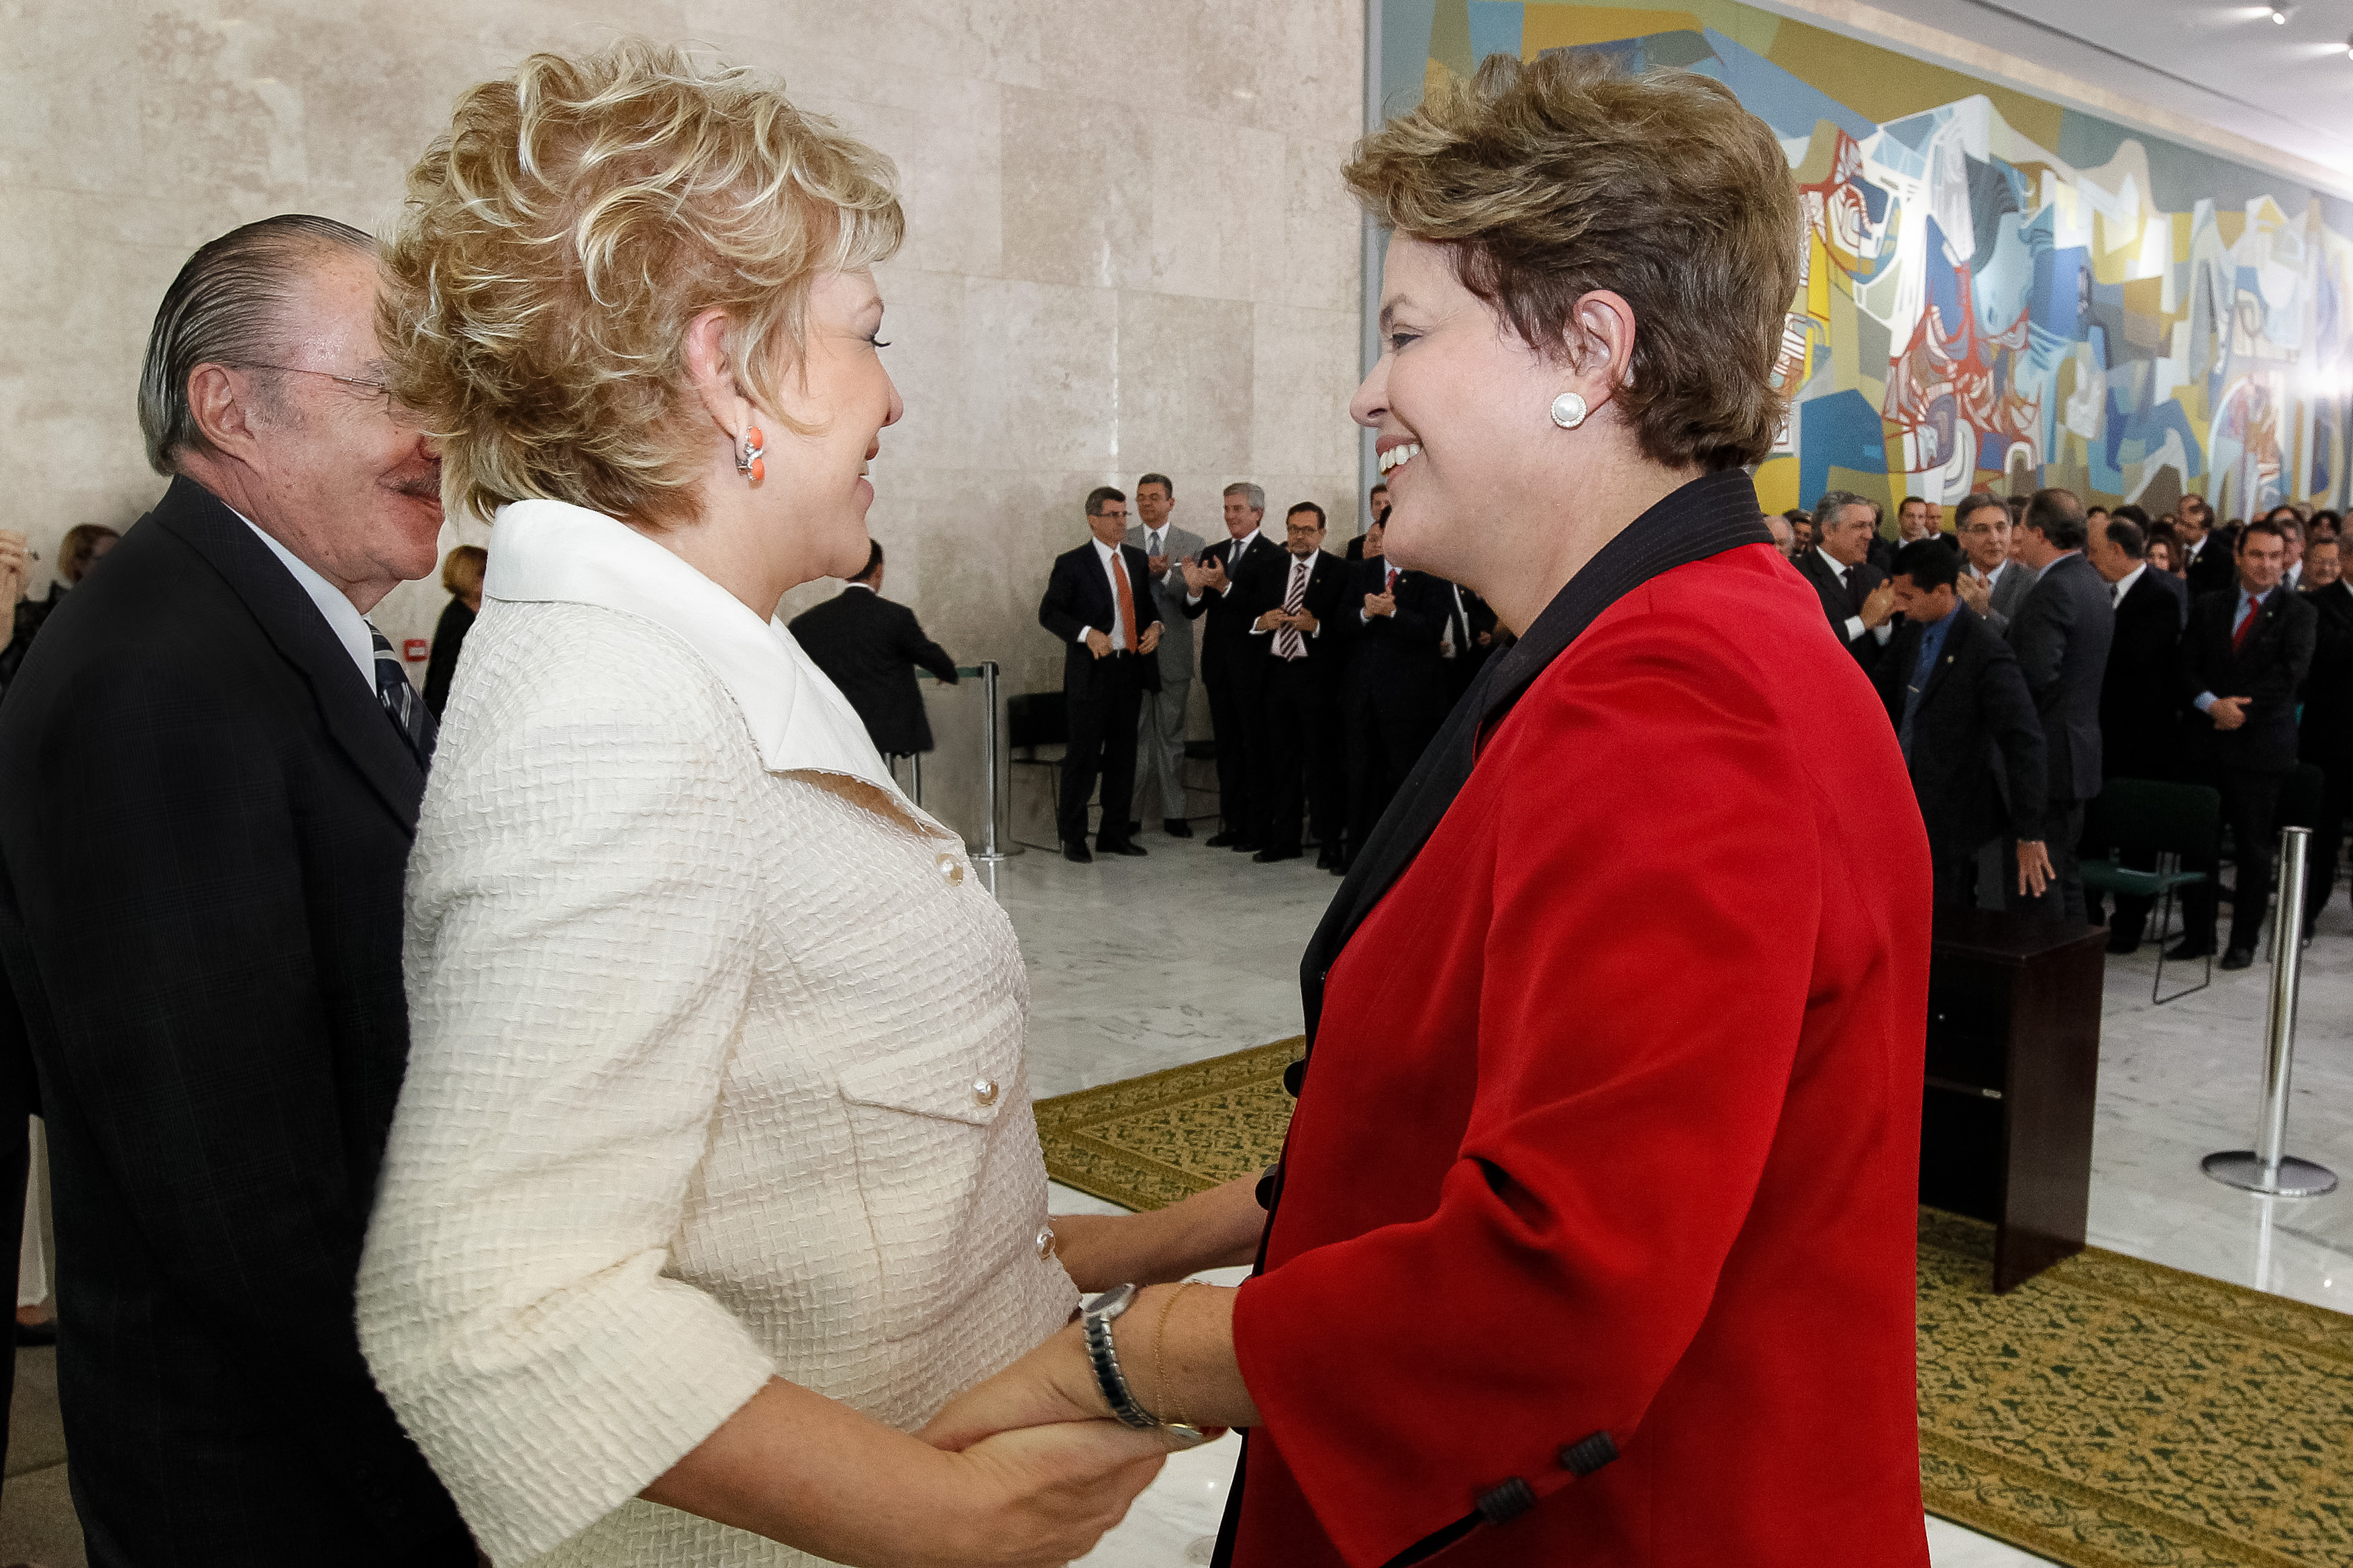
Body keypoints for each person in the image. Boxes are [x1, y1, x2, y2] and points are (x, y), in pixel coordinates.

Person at [923, 51, 1932, 1568]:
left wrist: (1130, 1356)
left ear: (1587, 350)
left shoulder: (1677, 697)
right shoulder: (1660, 636)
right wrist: (1141, 1239)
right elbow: (1474, 1113)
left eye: (1403, 333)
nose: (1364, 389)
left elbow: (1559, 1279)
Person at [352, 44, 1181, 1568]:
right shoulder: (612, 715)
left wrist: (1192, 1230)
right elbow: (486, 1297)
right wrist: (947, 1516)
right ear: (725, 366)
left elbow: (818, 1180)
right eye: (864, 334)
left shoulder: (685, 667)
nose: (894, 391)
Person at [0, 214, 469, 1566]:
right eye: (396, 387)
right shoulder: (160, 674)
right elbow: (237, 1187)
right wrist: (446, 1463)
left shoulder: (274, 631)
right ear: (230, 407)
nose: (438, 431)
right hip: (273, 1473)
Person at [1874, 540, 2048, 910]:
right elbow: (1878, 697)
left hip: (1952, 806)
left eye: (1908, 595)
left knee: (1943, 915)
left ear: (1942, 591)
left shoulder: (1985, 650)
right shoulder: (1912, 633)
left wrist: (2029, 830)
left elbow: (2024, 739)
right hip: (1901, 796)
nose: (1898, 604)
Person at [2174, 519, 2316, 967]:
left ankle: (2243, 942)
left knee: (2254, 850)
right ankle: (2198, 935)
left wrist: (2237, 712)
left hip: (2259, 749)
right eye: (2257, 555)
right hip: (2206, 742)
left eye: (2276, 556)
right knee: (2198, 845)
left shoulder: (2300, 613)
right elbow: (2184, 665)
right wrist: (2210, 703)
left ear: (2287, 558)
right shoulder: (2211, 605)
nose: (2266, 565)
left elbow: (2288, 676)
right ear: (2239, 555)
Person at [2003, 488, 2111, 923]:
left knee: (2038, 883)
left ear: (2040, 533)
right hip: (2075, 753)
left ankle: (2046, 986)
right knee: (2062, 873)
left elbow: (2033, 677)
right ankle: (2069, 982)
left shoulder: (2054, 589)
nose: (2018, 540)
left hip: (2047, 757)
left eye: (2021, 529)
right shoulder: (2091, 580)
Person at [1041, 486, 1162, 861]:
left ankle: (1114, 834)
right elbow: (1050, 613)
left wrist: (1157, 626)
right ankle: (1073, 837)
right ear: (1093, 520)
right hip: (1092, 672)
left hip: (1129, 668)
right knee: (1084, 757)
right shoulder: (1072, 563)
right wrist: (1086, 633)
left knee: (1124, 757)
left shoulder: (1138, 559)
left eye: (1125, 515)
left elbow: (1146, 606)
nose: (1122, 522)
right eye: (1114, 515)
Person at [2085, 514, 2186, 951]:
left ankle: (2129, 924)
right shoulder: (2098, 592)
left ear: (2117, 552)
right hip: (2096, 737)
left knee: (2134, 840)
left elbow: (2128, 658)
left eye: (2094, 551)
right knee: (2090, 832)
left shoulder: (2159, 597)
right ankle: (2086, 918)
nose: (2089, 559)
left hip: (2140, 742)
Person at [786, 539, 959, 763]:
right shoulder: (895, 617)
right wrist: (946, 672)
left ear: (846, 572)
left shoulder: (805, 623)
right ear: (878, 570)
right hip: (886, 732)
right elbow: (930, 656)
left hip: (831, 729)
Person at [1340, 519, 1449, 875]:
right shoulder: (1360, 572)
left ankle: (1404, 863)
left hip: (1409, 700)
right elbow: (1338, 624)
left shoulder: (1432, 573)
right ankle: (1358, 859)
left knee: (1405, 777)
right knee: (1361, 777)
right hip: (1362, 695)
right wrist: (1365, 613)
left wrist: (1393, 613)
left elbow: (1432, 630)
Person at [1246, 502, 1351, 867]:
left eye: (1308, 530)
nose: (1300, 536)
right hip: (1276, 676)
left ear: (1322, 533)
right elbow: (1246, 617)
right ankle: (1285, 839)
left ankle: (1329, 844)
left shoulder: (1340, 572)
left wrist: (1316, 627)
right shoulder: (1269, 567)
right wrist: (1262, 621)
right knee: (1282, 761)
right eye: (1294, 529)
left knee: (1322, 763)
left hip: (1317, 680)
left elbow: (1349, 631)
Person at [1184, 482, 1277, 849]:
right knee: (1228, 748)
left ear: (1258, 513)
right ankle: (1233, 823)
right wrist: (1193, 588)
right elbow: (1193, 609)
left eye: (1237, 509)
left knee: (1255, 747)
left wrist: (1224, 586)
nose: (1230, 516)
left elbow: (1264, 609)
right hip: (1219, 667)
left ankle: (1258, 827)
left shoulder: (1273, 556)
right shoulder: (1214, 552)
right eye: (1226, 508)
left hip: (1256, 670)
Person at [1125, 472, 1206, 837]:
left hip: (1174, 652)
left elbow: (1193, 602)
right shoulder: (1123, 542)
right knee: (1135, 737)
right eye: (1141, 497)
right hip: (1134, 653)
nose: (1146, 503)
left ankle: (1175, 815)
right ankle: (1129, 816)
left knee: (1172, 737)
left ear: (1171, 502)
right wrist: (1145, 573)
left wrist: (1180, 584)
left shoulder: (1192, 543)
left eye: (1154, 497)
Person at [2298, 534, 2353, 933]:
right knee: (2323, 833)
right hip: (2331, 738)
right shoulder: (2317, 604)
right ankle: (2306, 915)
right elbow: (2328, 656)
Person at [1795, 489, 1897, 670]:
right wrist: (1862, 622)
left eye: (1870, 527)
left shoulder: (1875, 576)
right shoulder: (1797, 576)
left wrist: (1883, 623)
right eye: (1859, 526)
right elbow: (1801, 641)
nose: (1869, 536)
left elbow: (1886, 648)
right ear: (1829, 530)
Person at [421, 542, 485, 716]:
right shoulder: (458, 619)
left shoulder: (470, 612)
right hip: (449, 710)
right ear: (469, 576)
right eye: (483, 574)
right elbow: (447, 675)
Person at [1951, 491, 2029, 633]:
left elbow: (2026, 643)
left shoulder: (2032, 582)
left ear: (2010, 532)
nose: (1994, 539)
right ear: (1962, 539)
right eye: (1982, 530)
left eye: (2001, 528)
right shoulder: (1949, 582)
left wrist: (1984, 612)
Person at [2180, 494, 2236, 596]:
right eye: (2183, 523)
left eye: (2190, 527)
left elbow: (2217, 592)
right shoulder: (2171, 547)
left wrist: (2184, 580)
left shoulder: (2221, 557)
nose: (2183, 529)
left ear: (2205, 531)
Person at [1344, 480, 1389, 558]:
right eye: (1377, 504)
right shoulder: (1355, 545)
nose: (1382, 508)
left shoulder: (1405, 543)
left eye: (1387, 503)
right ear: (1371, 508)